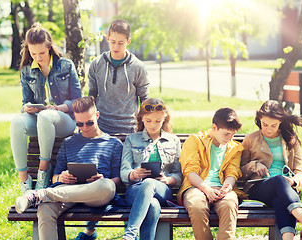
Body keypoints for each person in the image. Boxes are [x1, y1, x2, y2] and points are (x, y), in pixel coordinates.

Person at [14, 96, 123, 240]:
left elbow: (118, 180)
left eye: (89, 123)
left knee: (108, 186)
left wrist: (102, 179)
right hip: (66, 193)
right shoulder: (68, 142)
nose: (84, 128)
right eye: (80, 124)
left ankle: (39, 195)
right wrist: (61, 177)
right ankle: (41, 196)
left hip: (96, 193)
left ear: (97, 116)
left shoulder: (113, 144)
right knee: (45, 209)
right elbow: (55, 177)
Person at [240, 100, 302, 240]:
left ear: (281, 121)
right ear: (259, 120)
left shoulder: (291, 140)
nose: (268, 129)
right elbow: (241, 170)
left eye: (273, 125)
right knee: (279, 180)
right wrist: (254, 165)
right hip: (258, 188)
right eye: (265, 124)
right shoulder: (251, 139)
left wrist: (293, 181)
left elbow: (300, 171)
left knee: (280, 199)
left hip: (285, 190)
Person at [10, 23, 82, 194]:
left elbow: (78, 100)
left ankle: (43, 170)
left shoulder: (66, 65)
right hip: (41, 119)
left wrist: (58, 108)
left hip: (65, 120)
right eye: (33, 53)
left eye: (42, 53)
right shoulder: (28, 70)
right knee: (16, 122)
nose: (38, 57)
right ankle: (24, 180)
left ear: (49, 47)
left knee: (46, 115)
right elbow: (25, 101)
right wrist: (27, 108)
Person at [176, 107, 245, 240]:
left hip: (221, 188)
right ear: (214, 127)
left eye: (233, 134)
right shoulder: (195, 141)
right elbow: (190, 172)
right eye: (226, 134)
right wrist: (206, 189)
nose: (230, 138)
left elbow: (233, 172)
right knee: (197, 206)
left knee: (230, 204)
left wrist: (227, 187)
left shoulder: (234, 148)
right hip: (196, 187)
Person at [120, 98, 182, 240]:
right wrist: (134, 174)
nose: (153, 125)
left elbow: (179, 174)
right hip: (135, 190)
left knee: (149, 183)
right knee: (152, 205)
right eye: (148, 121)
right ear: (141, 118)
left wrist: (168, 180)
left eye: (158, 121)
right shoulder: (131, 139)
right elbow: (124, 172)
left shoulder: (173, 141)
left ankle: (130, 234)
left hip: (162, 190)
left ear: (164, 118)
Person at [88, 19, 149, 134]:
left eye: (121, 43)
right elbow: (92, 94)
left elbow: (144, 98)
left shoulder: (138, 66)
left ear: (128, 41)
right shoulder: (96, 64)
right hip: (101, 127)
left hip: (129, 128)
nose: (116, 47)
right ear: (107, 38)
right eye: (113, 42)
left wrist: (142, 128)